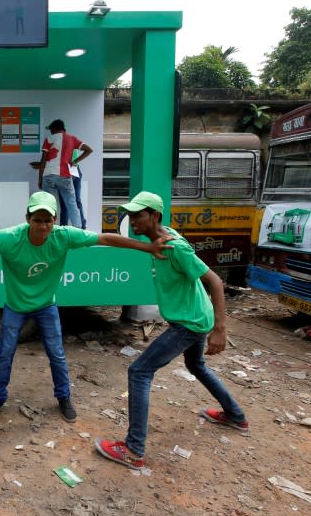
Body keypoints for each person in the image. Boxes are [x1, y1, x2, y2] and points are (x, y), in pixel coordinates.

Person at [0, 192, 172, 423]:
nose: (43, 226)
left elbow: (105, 238)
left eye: (48, 220)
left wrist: (147, 247)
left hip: (47, 306)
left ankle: (63, 398)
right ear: (28, 219)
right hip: (15, 307)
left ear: (55, 220)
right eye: (37, 220)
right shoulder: (9, 238)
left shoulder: (63, 236)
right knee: (5, 354)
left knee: (57, 354)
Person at [94, 191, 248, 471]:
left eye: (138, 215)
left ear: (155, 216)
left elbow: (214, 281)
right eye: (130, 215)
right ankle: (236, 415)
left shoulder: (176, 246)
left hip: (190, 323)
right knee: (196, 366)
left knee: (139, 371)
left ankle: (133, 449)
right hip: (193, 317)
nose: (132, 221)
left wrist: (220, 328)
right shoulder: (162, 239)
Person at [36, 119, 92, 228]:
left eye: (51, 129)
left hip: (48, 175)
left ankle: (51, 229)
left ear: (55, 128)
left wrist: (40, 178)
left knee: (50, 204)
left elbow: (43, 160)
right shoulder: (72, 139)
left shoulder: (49, 139)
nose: (50, 132)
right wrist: (74, 161)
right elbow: (89, 150)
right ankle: (79, 230)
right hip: (65, 175)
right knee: (72, 204)